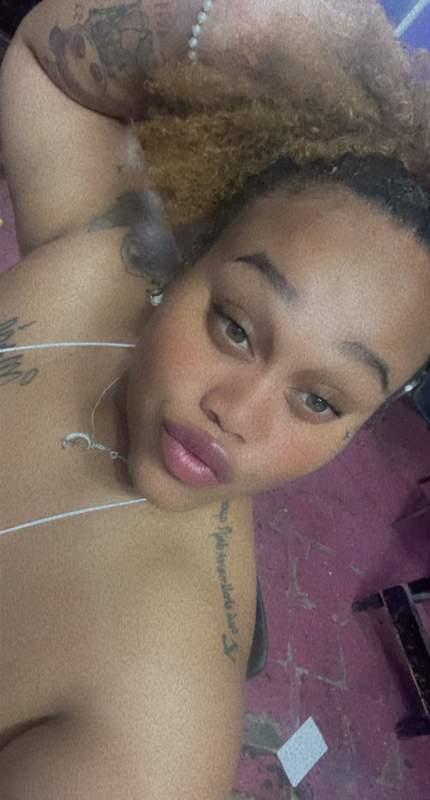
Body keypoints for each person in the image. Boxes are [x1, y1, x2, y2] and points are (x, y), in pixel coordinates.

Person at [0, 0, 429, 797]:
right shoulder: (103, 255)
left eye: (320, 401)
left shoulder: (152, 735)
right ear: (192, 254)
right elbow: (43, 59)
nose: (239, 411)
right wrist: (217, 30)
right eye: (234, 326)